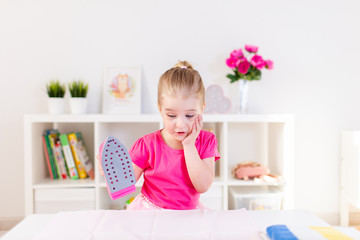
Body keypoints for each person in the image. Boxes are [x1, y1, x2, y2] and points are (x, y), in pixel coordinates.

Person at [99, 60, 220, 210]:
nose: (180, 124)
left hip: (187, 213)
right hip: (150, 212)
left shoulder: (207, 140)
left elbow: (203, 185)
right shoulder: (147, 144)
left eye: (189, 115)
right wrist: (111, 169)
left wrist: (189, 145)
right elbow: (123, 185)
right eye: (171, 115)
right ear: (160, 109)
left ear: (202, 109)